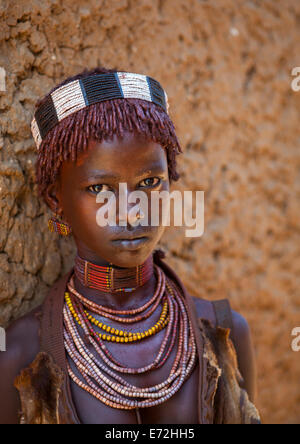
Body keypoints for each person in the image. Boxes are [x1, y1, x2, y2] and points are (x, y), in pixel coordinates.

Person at [0, 67, 260, 424]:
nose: (132, 212)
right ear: (55, 198)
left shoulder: (224, 335)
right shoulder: (22, 354)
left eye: (150, 181)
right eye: (100, 189)